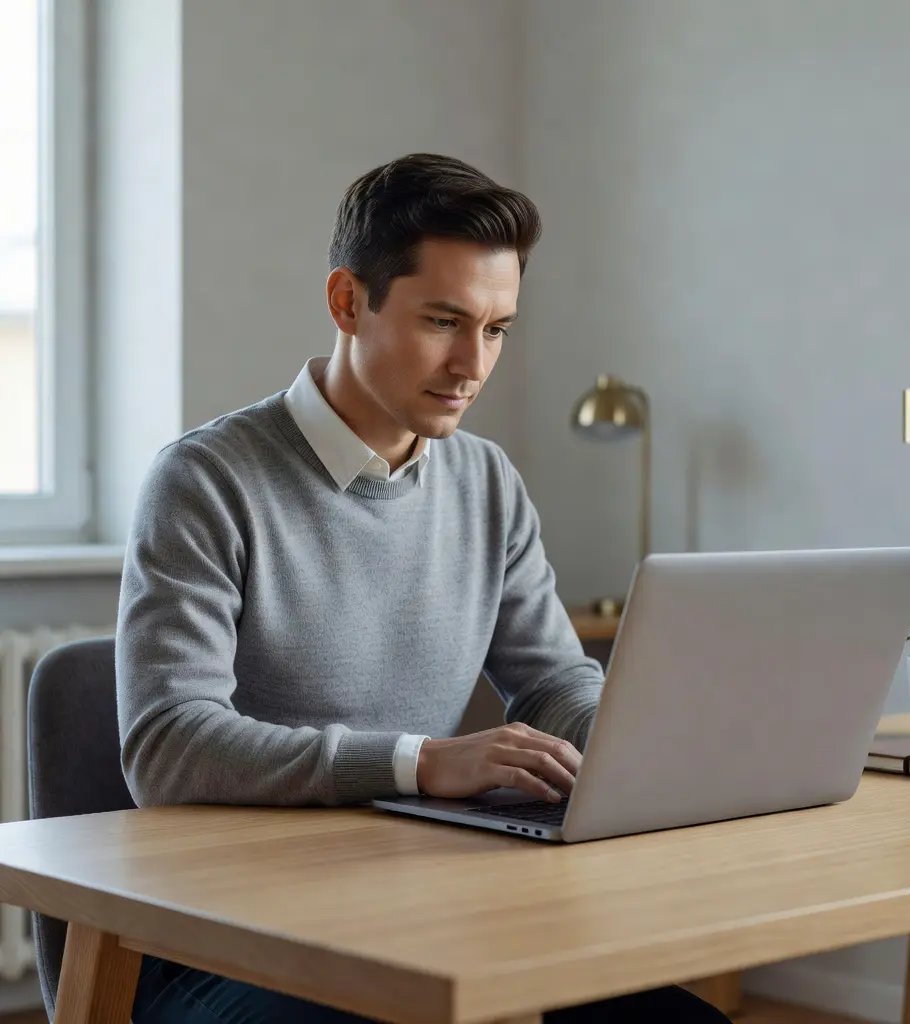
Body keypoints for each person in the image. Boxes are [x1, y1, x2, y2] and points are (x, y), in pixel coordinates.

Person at [118, 153, 730, 1023]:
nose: (472, 364)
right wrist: (419, 762)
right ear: (346, 301)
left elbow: (554, 680)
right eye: (444, 321)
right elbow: (169, 747)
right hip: (223, 939)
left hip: (423, 908)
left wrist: (630, 757)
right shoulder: (205, 480)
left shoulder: (486, 481)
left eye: (497, 328)